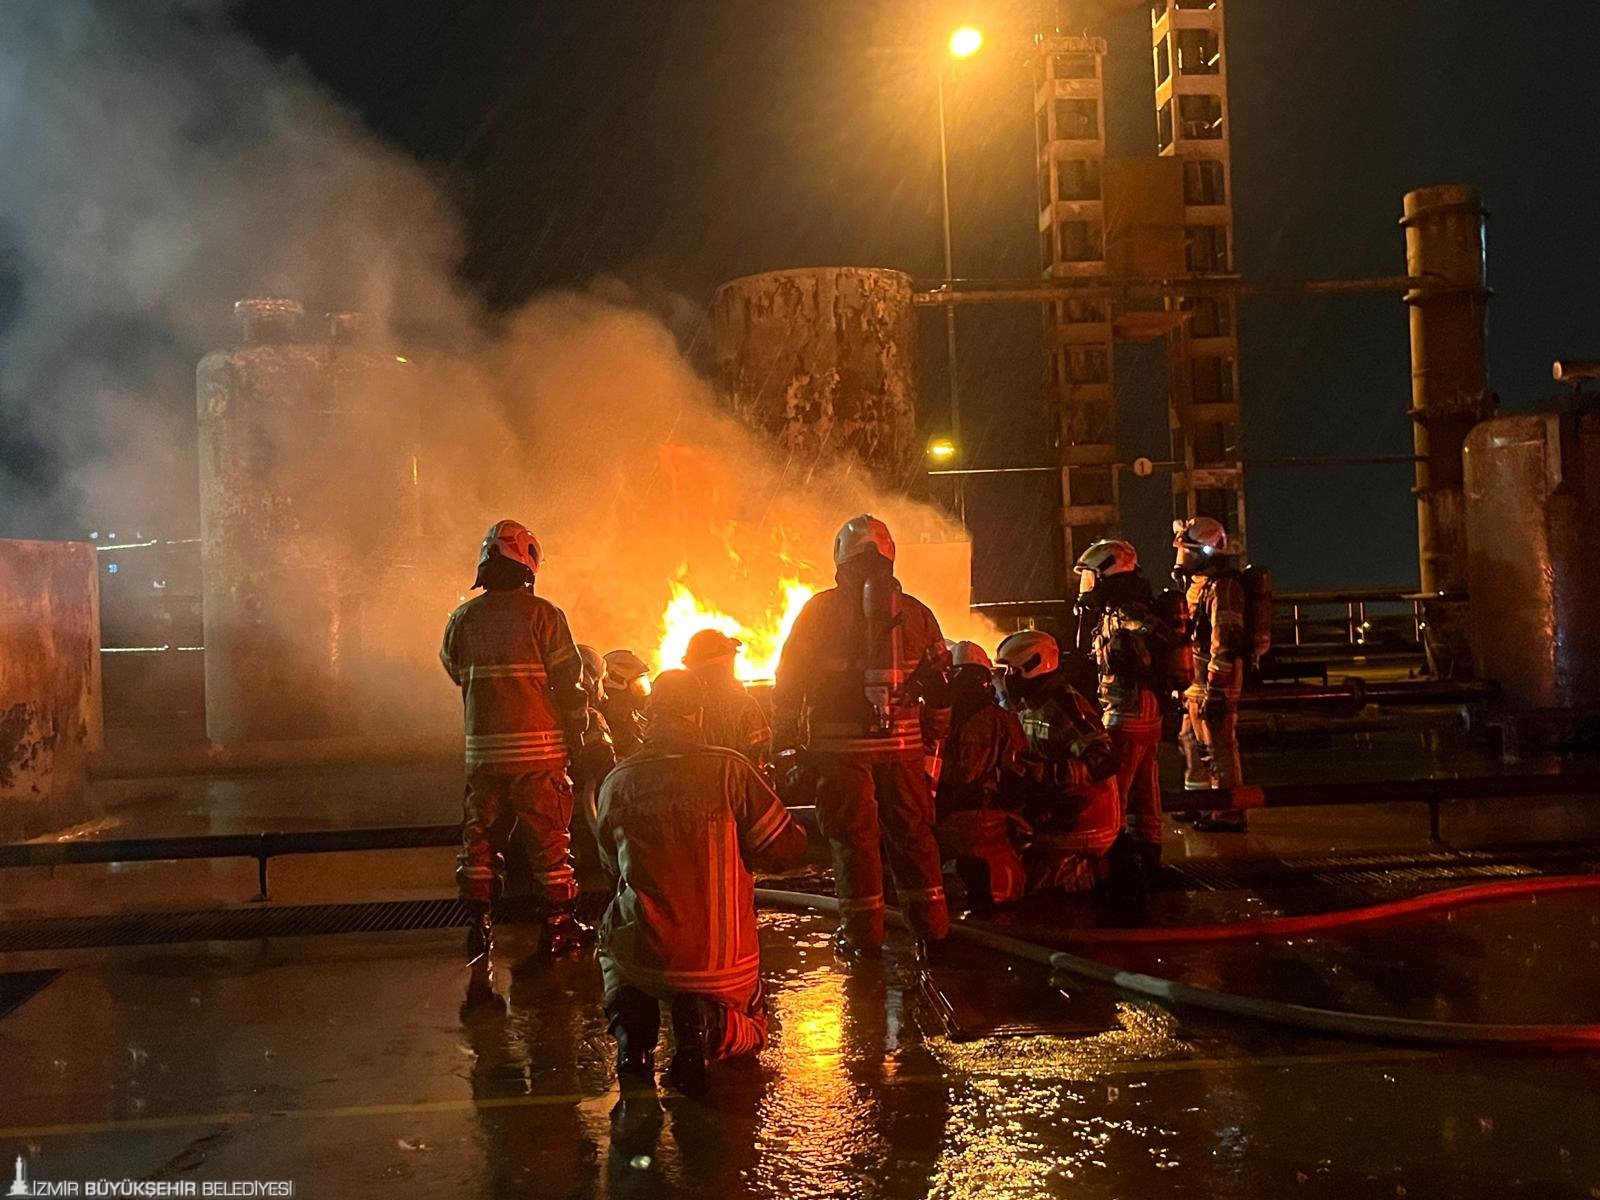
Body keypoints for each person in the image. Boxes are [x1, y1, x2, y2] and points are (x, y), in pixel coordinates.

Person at [596, 670, 808, 1093]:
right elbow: (788, 851)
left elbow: (611, 870)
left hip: (645, 960)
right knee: (757, 1028)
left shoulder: (617, 780)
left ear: (650, 714)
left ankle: (632, 1040)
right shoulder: (732, 770)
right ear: (698, 713)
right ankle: (713, 1025)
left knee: (610, 941)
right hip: (722, 967)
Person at [771, 515, 954, 961]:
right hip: (904, 745)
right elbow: (943, 683)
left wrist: (784, 742)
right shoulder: (916, 611)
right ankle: (932, 931)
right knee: (913, 835)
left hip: (839, 750)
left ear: (840, 556)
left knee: (855, 840)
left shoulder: (818, 611)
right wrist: (932, 735)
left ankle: (862, 937)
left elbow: (788, 680)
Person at [440, 520, 594, 999]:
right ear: (527, 563)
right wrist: (582, 729)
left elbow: (452, 668)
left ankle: (480, 926)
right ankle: (558, 926)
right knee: (550, 841)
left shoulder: (462, 620)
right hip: (538, 753)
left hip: (483, 754)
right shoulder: (544, 616)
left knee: (480, 841)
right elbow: (570, 681)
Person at [994, 629, 1120, 893]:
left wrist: (1043, 773)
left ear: (1032, 667)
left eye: (1011, 672)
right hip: (1060, 816)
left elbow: (1104, 761)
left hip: (1083, 823)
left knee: (1044, 894)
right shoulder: (1032, 704)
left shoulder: (1064, 705)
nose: (1007, 680)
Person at [1073, 539, 1169, 871]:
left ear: (1106, 573)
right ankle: (1150, 851)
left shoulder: (1125, 610)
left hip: (1127, 709)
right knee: (1146, 787)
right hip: (1145, 708)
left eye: (1089, 576)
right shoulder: (1120, 608)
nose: (1086, 585)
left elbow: (1153, 633)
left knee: (1115, 789)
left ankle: (1117, 859)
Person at [934, 641, 1028, 914]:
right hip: (988, 826)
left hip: (936, 820)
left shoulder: (931, 719)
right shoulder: (1006, 721)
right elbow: (1017, 782)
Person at [1173, 517, 1248, 832]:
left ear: (1204, 552)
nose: (1182, 559)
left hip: (1216, 683)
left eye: (1188, 551)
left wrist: (1217, 690)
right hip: (1195, 683)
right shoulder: (1198, 586)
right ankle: (1200, 806)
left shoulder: (1224, 588)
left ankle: (1229, 813)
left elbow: (1225, 641)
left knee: (1219, 748)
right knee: (1190, 743)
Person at [682, 629, 772, 765]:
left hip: (689, 783)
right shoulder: (743, 704)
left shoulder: (676, 703)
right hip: (735, 784)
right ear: (725, 663)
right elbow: (763, 756)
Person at [601, 649, 651, 759]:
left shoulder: (630, 714)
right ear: (616, 681)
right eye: (637, 685)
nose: (641, 691)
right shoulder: (614, 719)